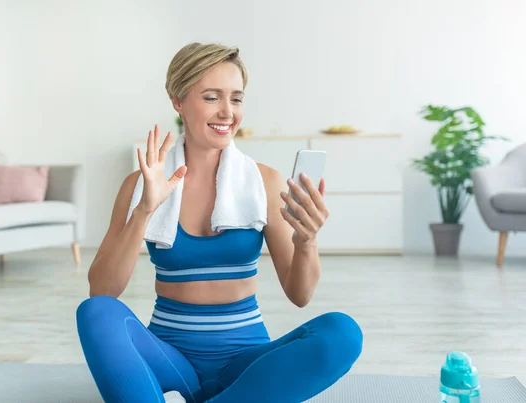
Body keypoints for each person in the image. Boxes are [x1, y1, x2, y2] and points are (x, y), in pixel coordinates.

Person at [76, 42, 363, 403]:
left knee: (342, 333)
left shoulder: (266, 182)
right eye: (212, 97)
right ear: (177, 101)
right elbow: (102, 291)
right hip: (169, 361)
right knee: (96, 313)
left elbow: (300, 295)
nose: (227, 112)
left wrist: (307, 241)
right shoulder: (140, 185)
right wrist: (145, 211)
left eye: (237, 99)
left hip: (246, 366)